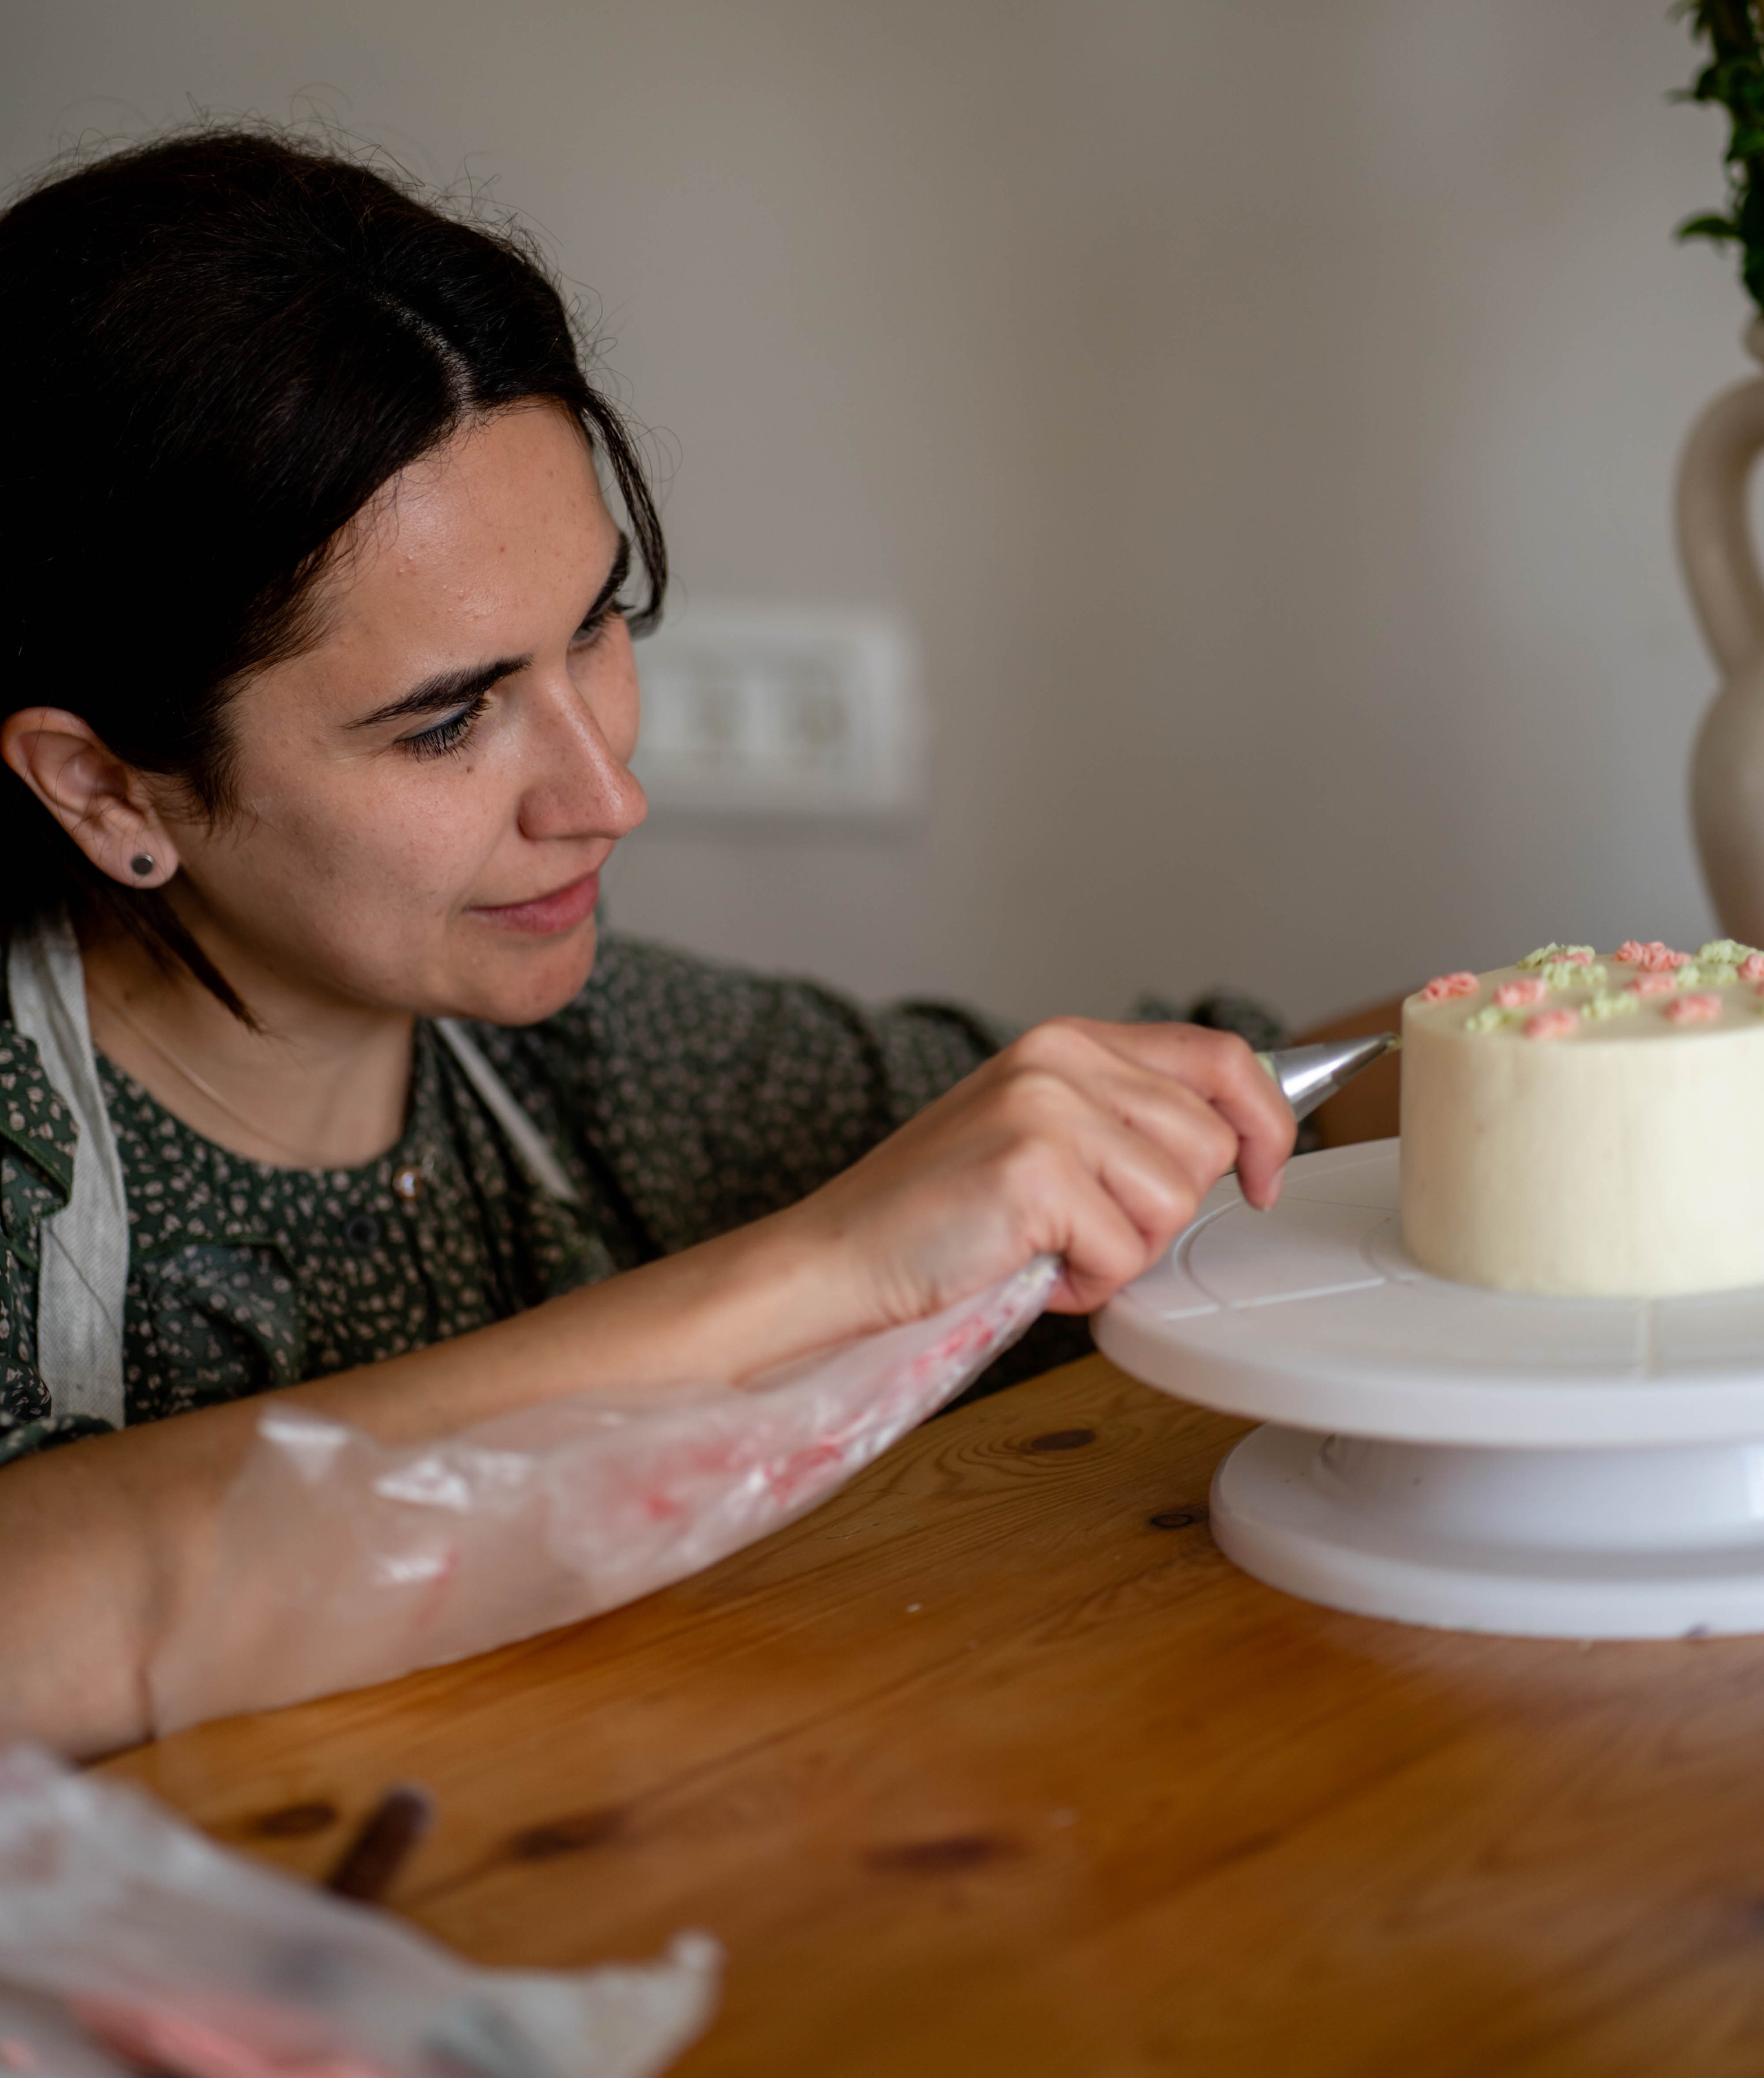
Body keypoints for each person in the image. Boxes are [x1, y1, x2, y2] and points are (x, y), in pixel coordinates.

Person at [0, 131, 1293, 1756]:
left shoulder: (595, 1056)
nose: (606, 793)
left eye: (602, 629)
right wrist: (819, 1266)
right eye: (448, 720)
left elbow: (1225, 1111)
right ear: (105, 781)